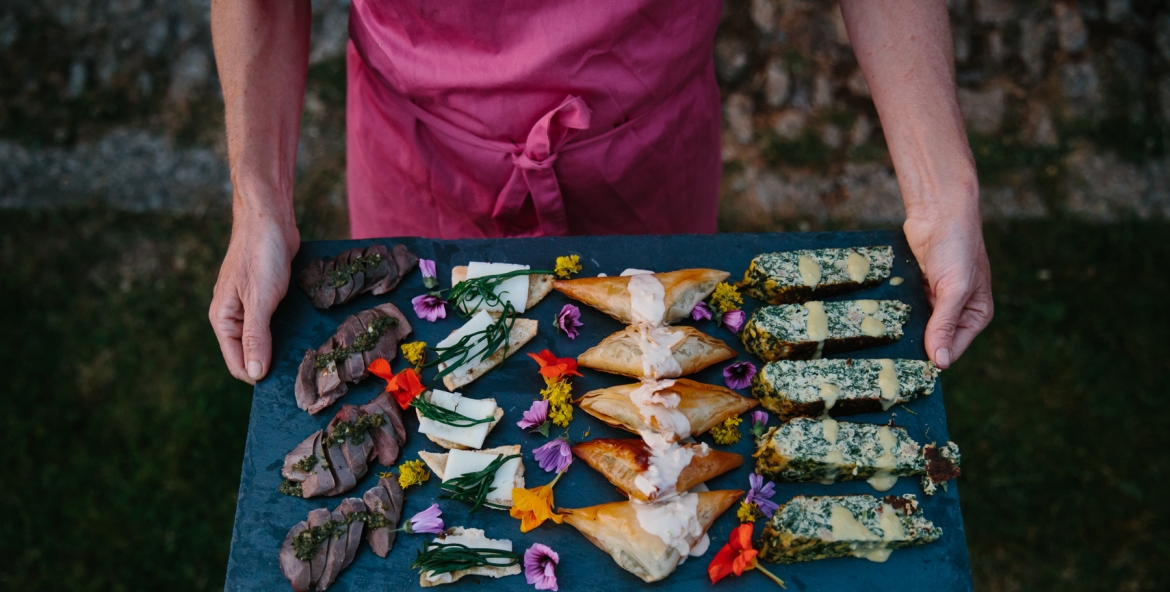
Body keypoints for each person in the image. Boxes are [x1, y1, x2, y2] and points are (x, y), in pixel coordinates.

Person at [209, 0, 993, 384]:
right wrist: (259, 199)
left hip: (646, 142)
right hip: (419, 150)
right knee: (429, 387)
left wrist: (941, 189)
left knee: (662, 385)